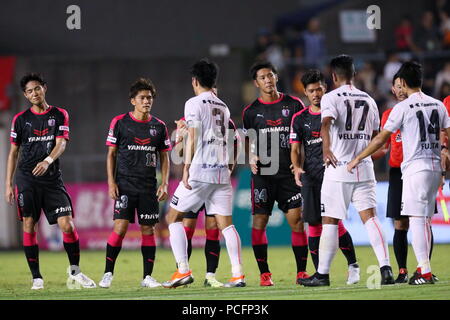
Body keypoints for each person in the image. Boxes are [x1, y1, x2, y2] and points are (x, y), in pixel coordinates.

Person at [348, 61, 450, 285]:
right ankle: (424, 270)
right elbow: (447, 134)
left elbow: (381, 139)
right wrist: (445, 159)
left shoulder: (401, 108)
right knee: (424, 220)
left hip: (415, 169)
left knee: (415, 220)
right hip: (435, 169)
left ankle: (423, 271)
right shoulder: (438, 105)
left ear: (402, 83)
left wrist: (358, 157)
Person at [301, 55, 394, 287]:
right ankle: (386, 268)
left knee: (330, 221)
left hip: (338, 167)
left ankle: (322, 274)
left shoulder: (330, 97)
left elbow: (326, 123)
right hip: (364, 168)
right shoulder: (370, 100)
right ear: (354, 74)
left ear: (333, 76)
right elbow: (376, 139)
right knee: (371, 219)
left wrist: (326, 149)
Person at [5, 73, 96, 290]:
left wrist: (47, 160)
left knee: (68, 224)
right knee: (29, 224)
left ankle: (75, 272)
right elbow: (13, 153)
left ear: (44, 88)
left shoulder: (59, 114)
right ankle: (36, 277)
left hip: (52, 180)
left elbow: (62, 144)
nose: (34, 93)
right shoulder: (20, 119)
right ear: (25, 95)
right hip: (27, 179)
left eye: (37, 88)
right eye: (29, 91)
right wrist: (8, 184)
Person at [163, 58, 245, 288]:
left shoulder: (193, 103)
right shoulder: (223, 106)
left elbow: (195, 136)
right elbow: (233, 140)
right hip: (221, 174)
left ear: (195, 81)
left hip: (200, 171)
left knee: (172, 218)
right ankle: (238, 274)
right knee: (226, 225)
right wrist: (229, 168)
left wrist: (186, 168)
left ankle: (183, 270)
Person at [98, 78, 171, 288]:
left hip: (148, 187)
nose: (147, 101)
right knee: (120, 228)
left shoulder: (159, 126)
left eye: (149, 98)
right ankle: (107, 274)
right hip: (125, 185)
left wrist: (164, 183)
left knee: (148, 230)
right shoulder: (120, 122)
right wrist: (111, 183)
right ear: (133, 101)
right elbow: (111, 154)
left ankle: (147, 277)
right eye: (142, 98)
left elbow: (165, 157)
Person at [290, 69, 360, 285]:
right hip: (311, 177)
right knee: (313, 225)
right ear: (305, 92)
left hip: (333, 174)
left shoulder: (335, 111)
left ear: (325, 88)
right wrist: (296, 167)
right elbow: (295, 148)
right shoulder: (299, 118)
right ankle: (321, 274)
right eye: (311, 91)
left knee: (335, 224)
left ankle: (353, 266)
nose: (316, 94)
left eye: (319, 89)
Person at [242, 61, 308, 286]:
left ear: (276, 77)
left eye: (270, 75)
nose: (267, 80)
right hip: (263, 176)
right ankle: (264, 274)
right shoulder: (250, 112)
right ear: (256, 83)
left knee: (297, 221)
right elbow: (248, 141)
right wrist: (251, 155)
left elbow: (304, 138)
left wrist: (300, 164)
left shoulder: (295, 104)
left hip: (289, 174)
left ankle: (301, 273)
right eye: (262, 77)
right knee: (259, 222)